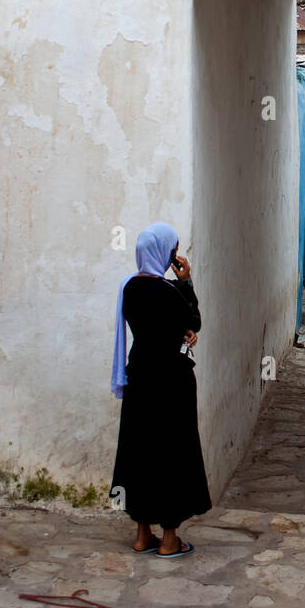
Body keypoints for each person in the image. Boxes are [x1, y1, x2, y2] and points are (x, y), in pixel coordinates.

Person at [110, 222, 211, 556]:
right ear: (165, 252)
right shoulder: (170, 292)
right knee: (173, 452)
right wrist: (187, 282)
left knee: (140, 449)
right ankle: (169, 539)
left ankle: (143, 535)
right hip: (171, 380)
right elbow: (192, 322)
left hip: (139, 375)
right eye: (173, 248)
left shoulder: (129, 288)